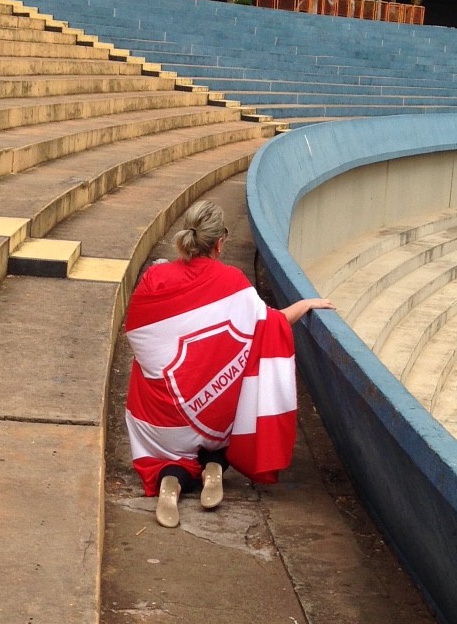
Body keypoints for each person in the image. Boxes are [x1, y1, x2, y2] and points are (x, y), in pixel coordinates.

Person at [124, 198, 333, 528]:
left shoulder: (155, 280)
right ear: (220, 242)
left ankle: (171, 477)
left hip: (162, 425)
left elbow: (139, 339)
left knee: (145, 369)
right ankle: (214, 466)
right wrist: (305, 304)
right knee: (240, 377)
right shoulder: (234, 284)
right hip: (212, 420)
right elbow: (271, 324)